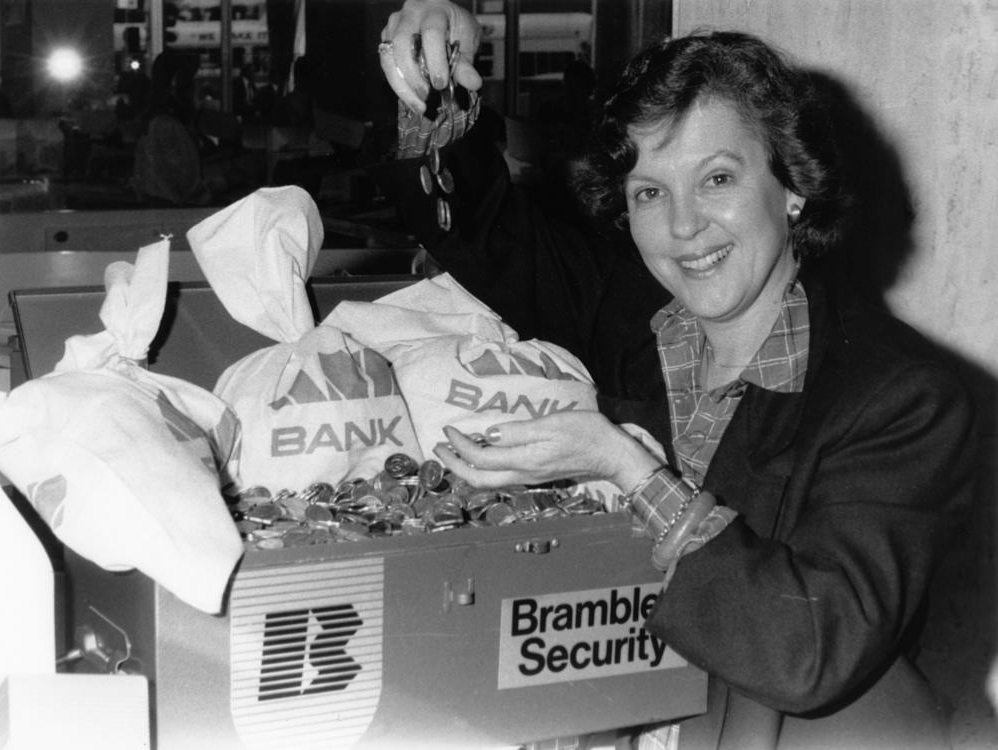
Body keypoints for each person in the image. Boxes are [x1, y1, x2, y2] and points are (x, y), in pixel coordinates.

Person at [373, 2, 976, 749]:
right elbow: (487, 232)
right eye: (651, 192)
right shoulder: (630, 315)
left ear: (793, 186)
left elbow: (811, 648)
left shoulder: (904, 399)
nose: (683, 225)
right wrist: (438, 92)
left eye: (717, 177)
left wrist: (627, 467)